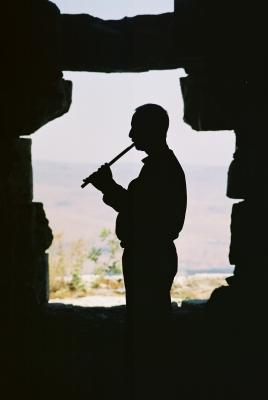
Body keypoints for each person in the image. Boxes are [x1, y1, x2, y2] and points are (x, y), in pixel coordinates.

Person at [89, 103, 187, 398]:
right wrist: (111, 188)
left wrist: (108, 186)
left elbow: (139, 213)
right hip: (150, 255)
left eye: (136, 127)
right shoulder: (160, 167)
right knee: (147, 323)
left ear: (153, 130)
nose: (131, 134)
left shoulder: (160, 169)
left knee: (147, 327)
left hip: (149, 256)